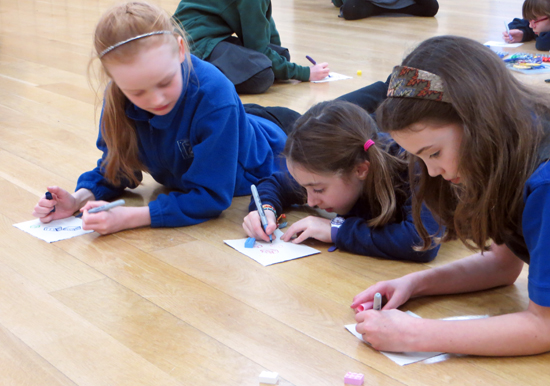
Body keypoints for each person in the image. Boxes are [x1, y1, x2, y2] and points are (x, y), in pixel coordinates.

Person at [351, 35, 550, 356]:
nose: (431, 172)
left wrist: (417, 335)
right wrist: (416, 284)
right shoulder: (511, 141)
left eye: (435, 153)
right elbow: (502, 265)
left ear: (476, 120)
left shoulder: (544, 182)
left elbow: (544, 327)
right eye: (421, 158)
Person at [32, 1, 300, 235]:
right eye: (137, 92)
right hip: (235, 119)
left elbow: (210, 197)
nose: (156, 100)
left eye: (165, 81)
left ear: (181, 49)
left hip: (280, 138)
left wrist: (133, 217)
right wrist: (78, 199)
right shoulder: (118, 96)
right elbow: (118, 169)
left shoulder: (216, 95)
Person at [243, 100, 441, 262]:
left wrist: (336, 231)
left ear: (361, 170)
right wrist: (265, 210)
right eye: (306, 188)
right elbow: (275, 184)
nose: (311, 201)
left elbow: (421, 242)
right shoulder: (328, 169)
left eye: (318, 190)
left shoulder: (420, 169)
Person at [173, 0, 329, 94]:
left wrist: (279, 60)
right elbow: (259, 49)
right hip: (193, 45)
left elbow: (264, 25)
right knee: (262, 76)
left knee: (280, 56)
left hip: (210, 37)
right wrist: (305, 73)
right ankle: (195, 78)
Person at [332, 0, 439, 21]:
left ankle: (393, 9)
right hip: (372, 3)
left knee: (431, 7)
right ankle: (378, 9)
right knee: (350, 10)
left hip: (402, 2)